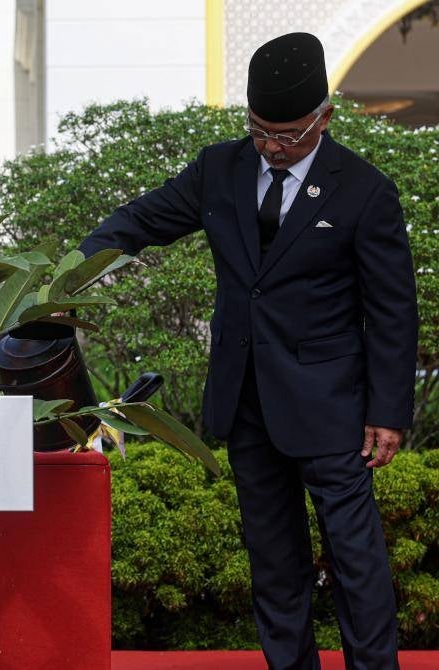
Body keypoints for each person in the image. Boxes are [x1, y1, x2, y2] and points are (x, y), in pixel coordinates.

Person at [79, 33, 417, 670]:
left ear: (325, 117)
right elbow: (142, 220)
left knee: (355, 558)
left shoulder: (364, 191)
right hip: (245, 400)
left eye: (288, 135)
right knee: (273, 559)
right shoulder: (220, 169)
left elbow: (393, 310)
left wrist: (388, 411)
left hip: (331, 407)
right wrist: (70, 273)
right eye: (259, 130)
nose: (271, 147)